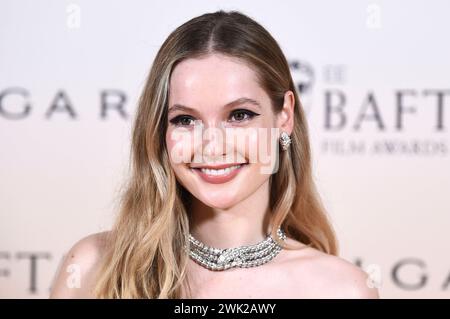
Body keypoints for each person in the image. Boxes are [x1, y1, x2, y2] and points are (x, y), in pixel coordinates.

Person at [50, 10, 379, 299]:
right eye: (186, 120)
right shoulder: (94, 268)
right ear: (159, 131)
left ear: (285, 117)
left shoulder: (341, 290)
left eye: (239, 115)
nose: (212, 145)